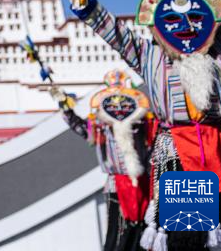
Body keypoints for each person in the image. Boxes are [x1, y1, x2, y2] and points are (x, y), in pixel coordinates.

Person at [68, 0, 221, 250]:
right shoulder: (149, 55)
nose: (186, 26)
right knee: (188, 239)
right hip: (179, 151)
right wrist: (89, 6)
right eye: (173, 19)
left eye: (196, 17)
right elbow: (117, 34)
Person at [50, 70, 155, 251]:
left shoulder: (143, 122)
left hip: (143, 183)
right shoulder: (100, 125)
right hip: (116, 184)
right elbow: (81, 128)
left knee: (143, 234)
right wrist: (65, 107)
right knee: (118, 234)